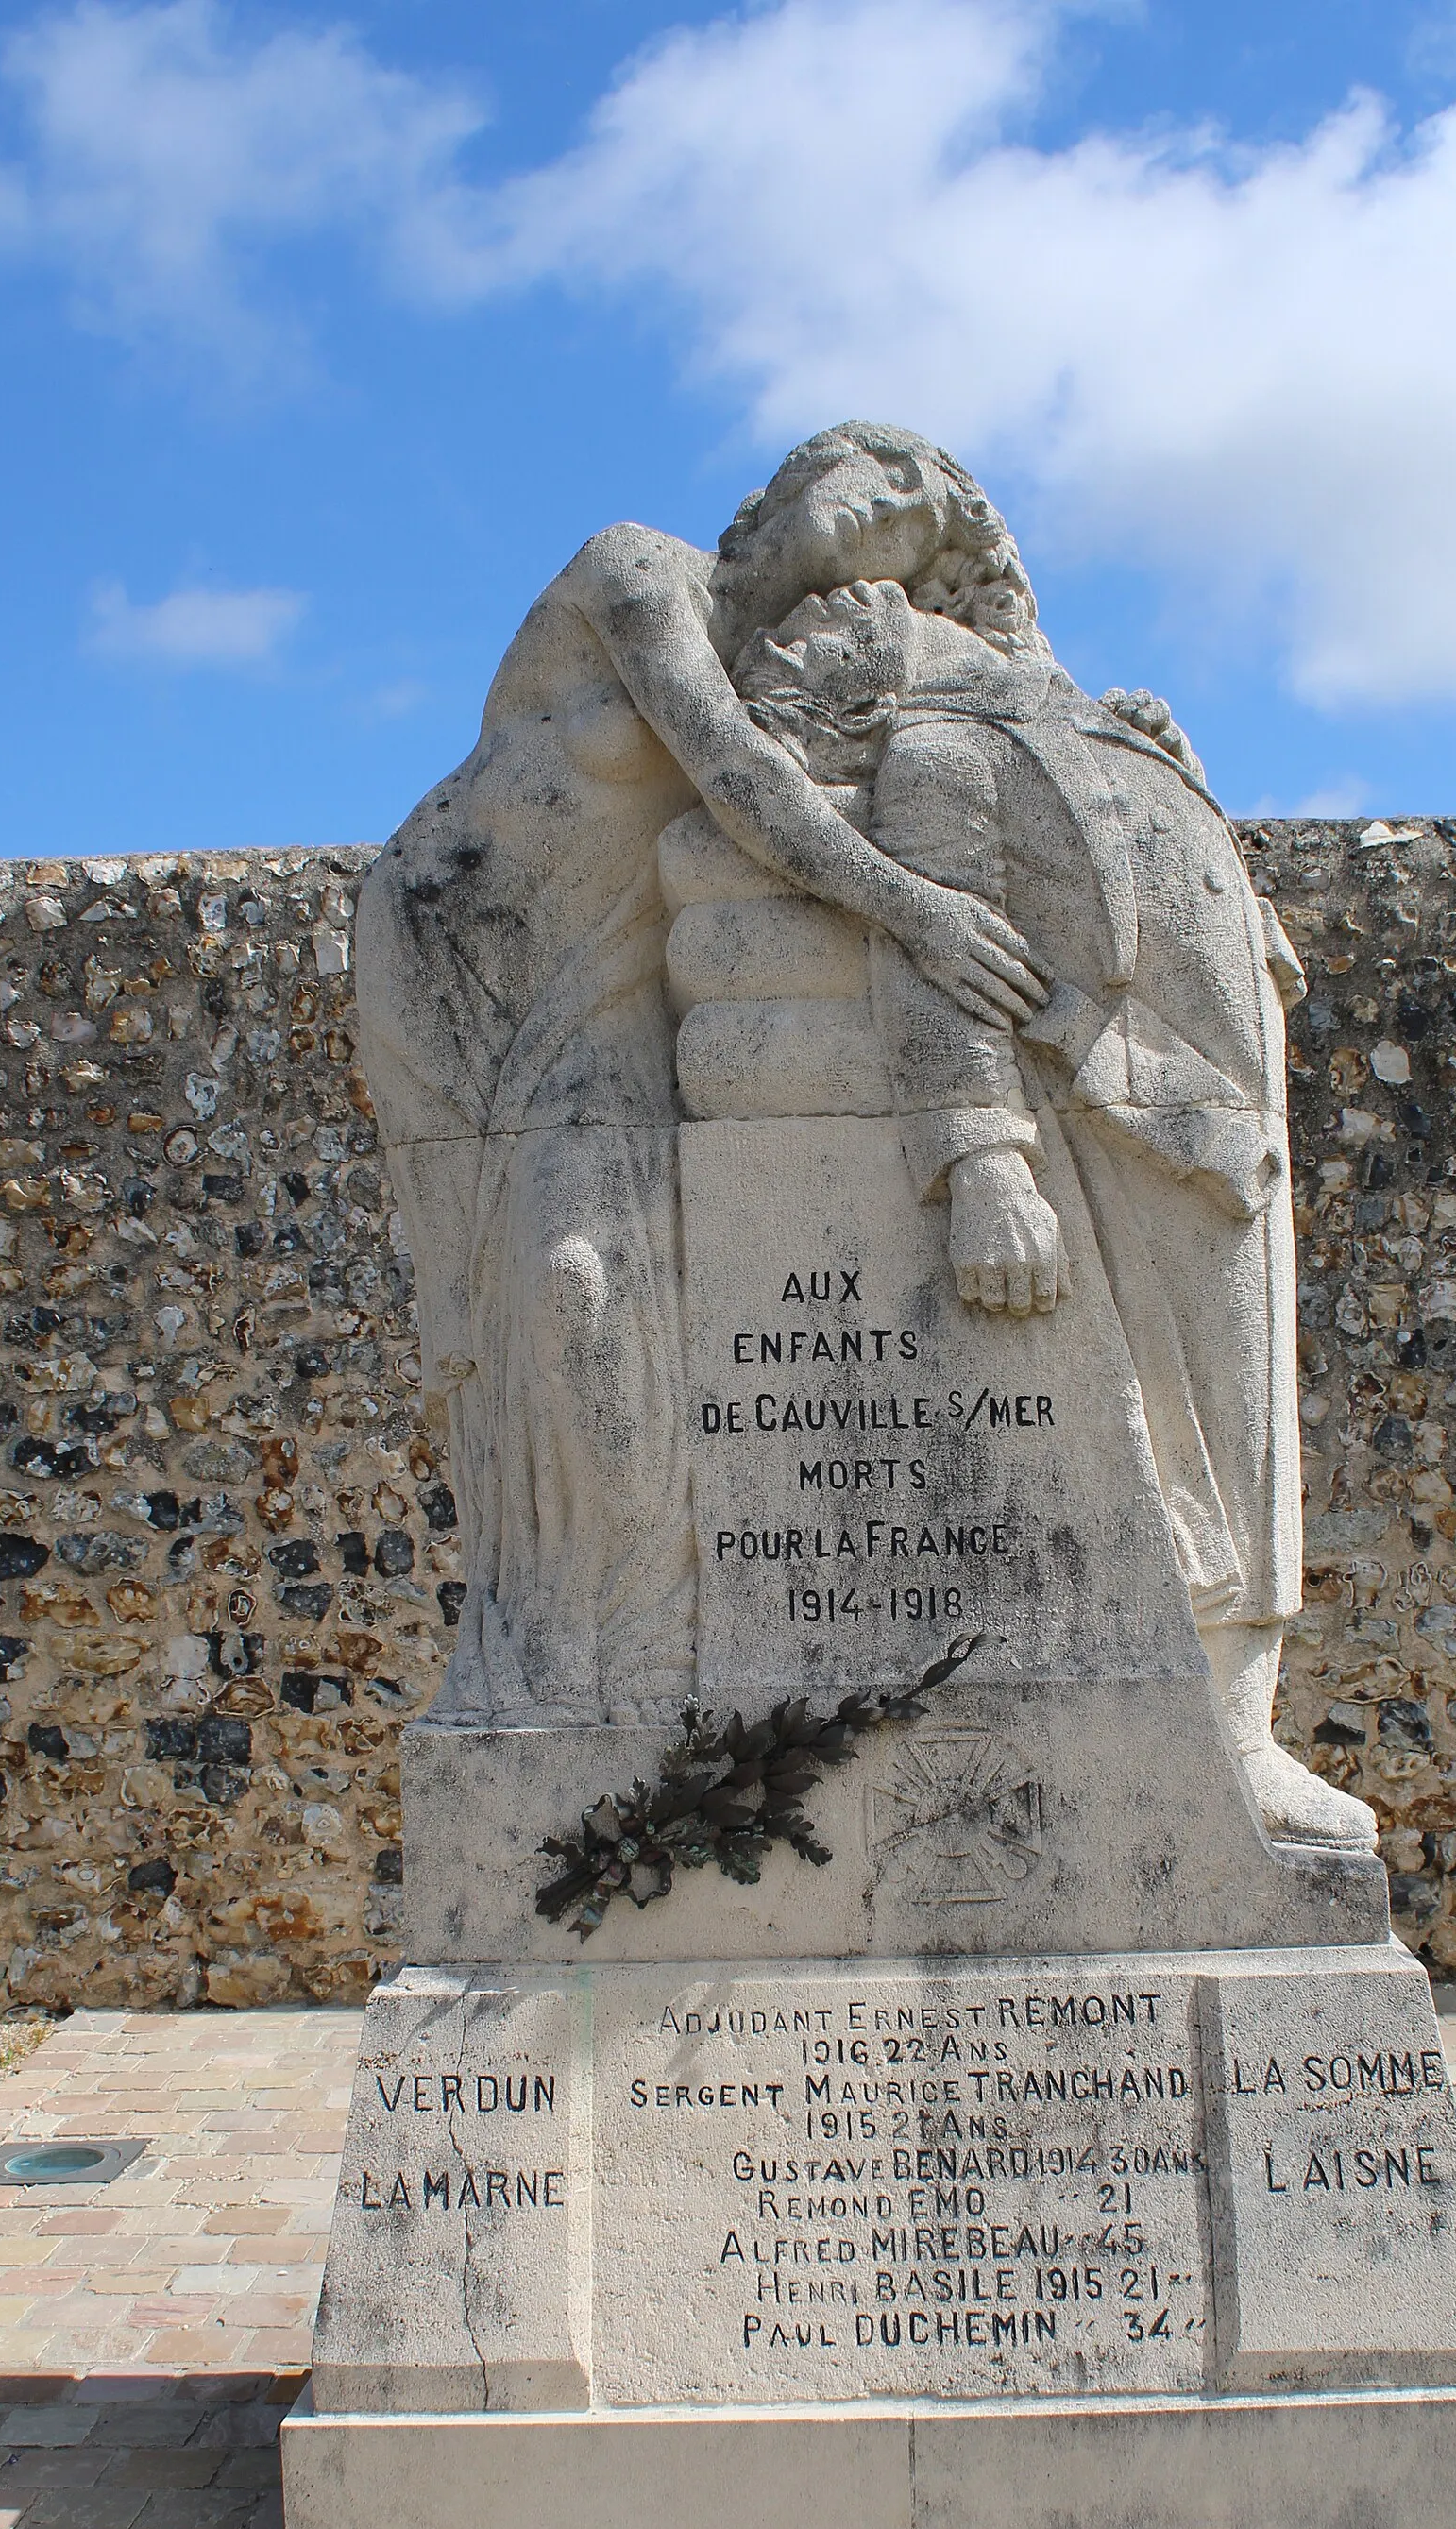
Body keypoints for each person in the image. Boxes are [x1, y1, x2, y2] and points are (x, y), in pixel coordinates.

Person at [355, 426, 1050, 1724]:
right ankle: (548, 1653)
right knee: (529, 1303)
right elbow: (732, 777)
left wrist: (1107, 723)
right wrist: (918, 912)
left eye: (923, 519)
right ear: (790, 483)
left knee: (598, 1298)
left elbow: (999, 727)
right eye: (883, 474)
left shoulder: (811, 677)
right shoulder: (637, 572)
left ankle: (631, 1651)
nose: (889, 512)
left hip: (609, 984)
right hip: (459, 958)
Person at [718, 574, 1376, 1848]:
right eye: (798, 639)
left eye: (818, 623)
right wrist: (984, 1163)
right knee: (1189, 1449)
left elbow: (1241, 935)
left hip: (1221, 1124)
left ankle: (1244, 1733)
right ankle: (1219, 1750)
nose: (817, 621)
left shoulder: (1101, 721)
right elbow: (935, 956)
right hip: (1118, 1111)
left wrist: (1177, 782)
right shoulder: (935, 749)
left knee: (1247, 1439)